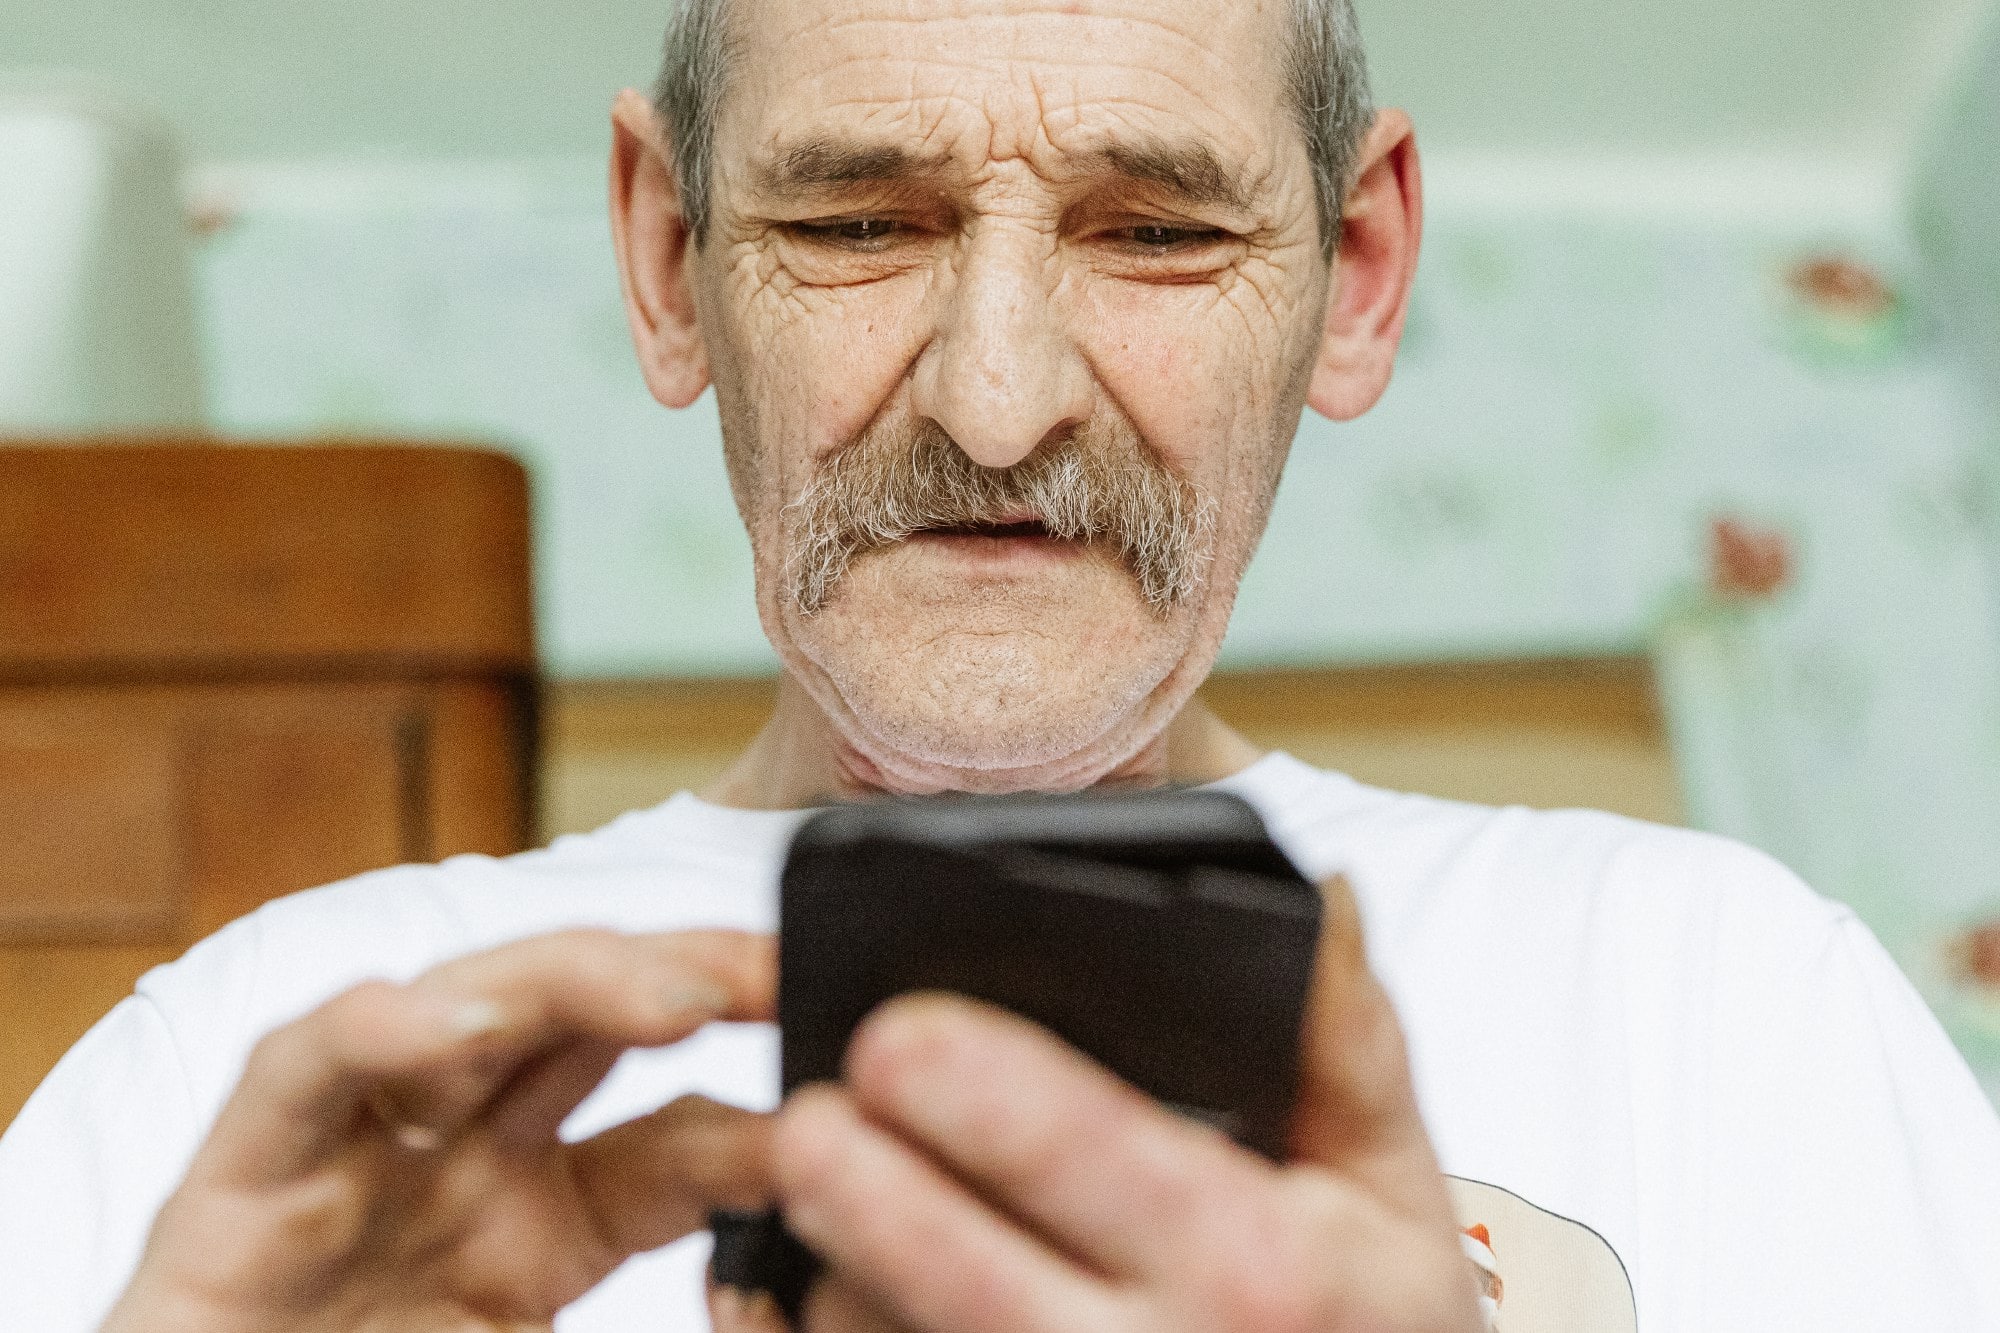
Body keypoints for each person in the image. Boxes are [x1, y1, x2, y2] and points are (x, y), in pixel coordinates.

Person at [4, 0, 1999, 1329]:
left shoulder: (1725, 1003)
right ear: (671, 256)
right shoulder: (264, 1078)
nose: (995, 397)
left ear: (1355, 278)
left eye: (1157, 234)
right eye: (856, 220)